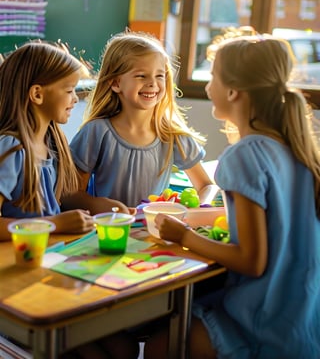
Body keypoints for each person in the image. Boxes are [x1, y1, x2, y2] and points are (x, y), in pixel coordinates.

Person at [144, 33, 320, 359]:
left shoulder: (244, 155)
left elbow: (251, 261)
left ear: (233, 91)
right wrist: (188, 217)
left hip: (264, 323)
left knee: (158, 345)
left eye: (212, 76)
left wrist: (184, 235)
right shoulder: (293, 148)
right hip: (300, 320)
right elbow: (264, 217)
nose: (209, 87)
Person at [0, 41, 139, 359]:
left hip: (50, 269)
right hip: (20, 286)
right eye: (69, 89)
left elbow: (55, 201)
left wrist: (94, 204)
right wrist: (52, 224)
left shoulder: (49, 142)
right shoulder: (10, 149)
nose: (76, 99)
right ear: (37, 94)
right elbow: (44, 218)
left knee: (126, 347)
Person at [70, 30, 216, 208]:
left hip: (153, 233)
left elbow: (206, 186)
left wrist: (200, 207)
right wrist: (102, 205)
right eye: (141, 75)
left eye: (159, 75)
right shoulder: (96, 132)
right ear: (116, 83)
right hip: (109, 229)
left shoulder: (171, 135)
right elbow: (72, 195)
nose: (153, 83)